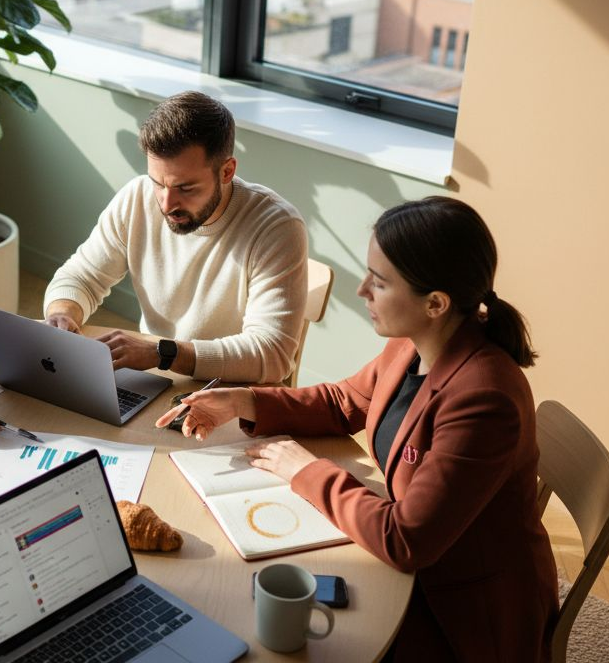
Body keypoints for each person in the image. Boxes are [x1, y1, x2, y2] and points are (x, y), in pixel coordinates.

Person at [157, 196, 558, 661]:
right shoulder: (418, 342)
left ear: (435, 303)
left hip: (460, 610)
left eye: (380, 282)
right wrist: (243, 399)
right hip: (415, 568)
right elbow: (345, 400)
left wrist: (305, 471)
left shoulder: (484, 400)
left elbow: (405, 540)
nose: (362, 290)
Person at [43, 91, 308, 384]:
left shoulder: (276, 227)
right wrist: (63, 313)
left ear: (227, 171)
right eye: (158, 183)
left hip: (232, 395)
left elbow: (271, 354)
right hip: (156, 377)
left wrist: (164, 354)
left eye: (186, 188)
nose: (167, 204)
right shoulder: (137, 197)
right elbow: (82, 276)